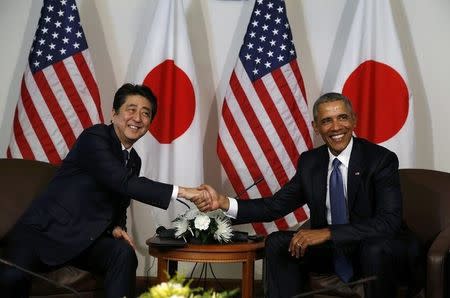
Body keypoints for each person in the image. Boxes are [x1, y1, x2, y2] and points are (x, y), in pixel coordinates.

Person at [201, 92, 422, 297]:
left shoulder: (380, 159)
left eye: (342, 118)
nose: (336, 127)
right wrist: (223, 202)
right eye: (327, 121)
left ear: (354, 120)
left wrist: (327, 233)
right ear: (316, 127)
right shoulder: (311, 162)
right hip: (333, 249)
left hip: (376, 246)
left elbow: (388, 222)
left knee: (374, 249)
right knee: (278, 242)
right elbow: (274, 206)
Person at [0, 83, 210, 298]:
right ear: (114, 114)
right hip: (43, 233)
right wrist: (184, 192)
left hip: (84, 240)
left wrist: (117, 226)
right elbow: (122, 182)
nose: (137, 118)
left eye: (145, 113)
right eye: (131, 109)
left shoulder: (133, 160)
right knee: (11, 277)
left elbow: (119, 200)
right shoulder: (94, 137)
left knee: (122, 253)